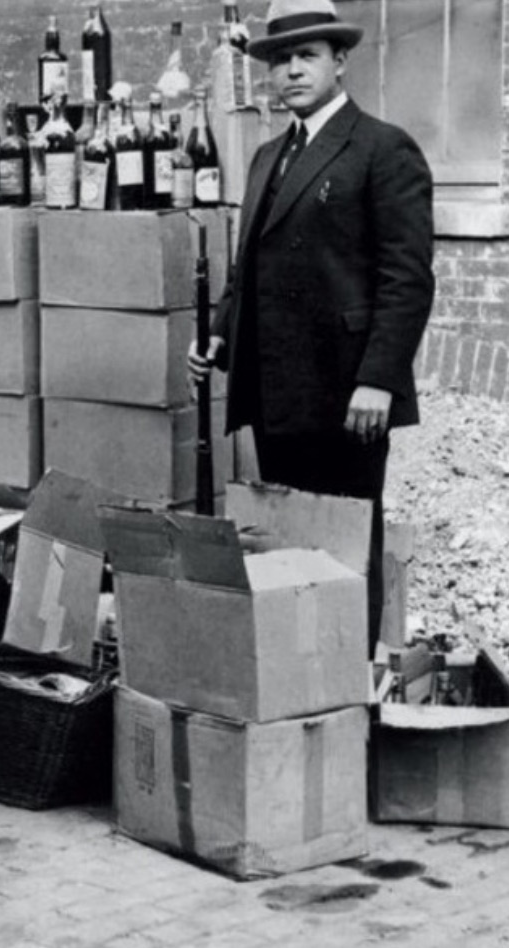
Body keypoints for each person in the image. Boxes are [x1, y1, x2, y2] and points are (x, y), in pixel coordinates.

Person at [187, 0, 434, 651]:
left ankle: (352, 680)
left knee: (347, 548)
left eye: (307, 56)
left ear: (339, 61)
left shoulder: (381, 148)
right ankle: (299, 675)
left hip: (347, 396)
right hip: (276, 393)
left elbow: (407, 278)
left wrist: (378, 379)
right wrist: (219, 334)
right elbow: (249, 267)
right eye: (280, 60)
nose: (292, 70)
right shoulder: (268, 155)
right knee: (291, 543)